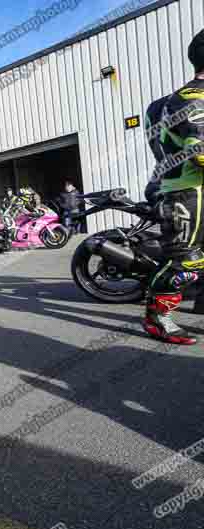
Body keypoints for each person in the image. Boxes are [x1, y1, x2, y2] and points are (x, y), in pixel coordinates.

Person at [142, 29, 204, 344]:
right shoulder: (194, 97)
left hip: (187, 189)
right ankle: (157, 317)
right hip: (188, 193)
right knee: (186, 262)